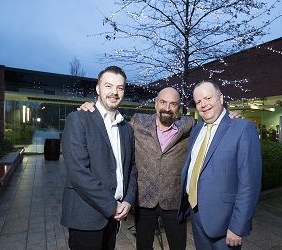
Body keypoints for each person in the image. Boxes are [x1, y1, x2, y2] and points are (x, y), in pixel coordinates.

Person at [79, 87, 241, 249]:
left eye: (173, 104)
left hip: (174, 201)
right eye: (163, 102)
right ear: (156, 103)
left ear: (178, 107)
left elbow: (214, 124)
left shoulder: (189, 125)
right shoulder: (137, 122)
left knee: (178, 246)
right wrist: (93, 108)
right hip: (144, 200)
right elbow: (112, 127)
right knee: (143, 246)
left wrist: (229, 115)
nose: (167, 108)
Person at [177, 81, 262, 249]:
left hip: (225, 223)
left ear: (221, 98)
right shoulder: (196, 130)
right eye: (198, 101)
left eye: (208, 98)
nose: (203, 105)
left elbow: (249, 184)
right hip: (196, 215)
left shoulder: (243, 128)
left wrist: (238, 227)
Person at [60, 66, 137, 250]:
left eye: (120, 88)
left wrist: (128, 200)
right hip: (86, 216)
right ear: (98, 89)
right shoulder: (78, 119)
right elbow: (78, 172)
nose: (114, 92)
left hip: (114, 217)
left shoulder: (126, 128)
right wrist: (112, 206)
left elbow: (131, 168)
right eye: (108, 86)